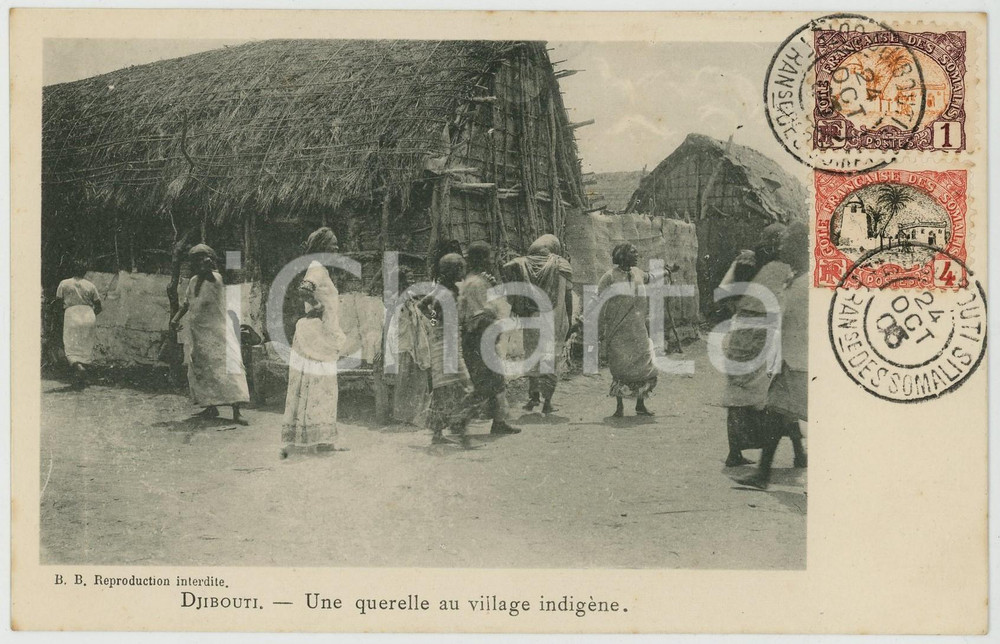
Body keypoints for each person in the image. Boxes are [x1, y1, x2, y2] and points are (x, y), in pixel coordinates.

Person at [737, 222, 809, 489]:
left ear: (801, 247)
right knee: (775, 412)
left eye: (787, 241)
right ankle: (763, 473)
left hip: (805, 364)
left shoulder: (810, 281)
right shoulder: (795, 277)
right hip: (792, 362)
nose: (781, 245)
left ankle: (764, 473)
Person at [719, 223, 790, 466]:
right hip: (763, 330)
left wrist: (737, 308)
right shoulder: (780, 268)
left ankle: (735, 452)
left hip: (741, 328)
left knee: (739, 392)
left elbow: (723, 291)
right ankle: (746, 451)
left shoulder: (745, 261)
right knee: (763, 392)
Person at [280, 228, 347, 457]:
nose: (336, 249)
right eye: (332, 245)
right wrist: (317, 307)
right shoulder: (317, 268)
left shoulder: (321, 269)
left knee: (320, 386)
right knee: (319, 386)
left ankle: (322, 438)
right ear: (321, 247)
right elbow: (304, 289)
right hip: (315, 334)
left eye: (337, 245)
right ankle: (319, 440)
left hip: (320, 333)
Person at [170, 244, 250, 424]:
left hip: (220, 332)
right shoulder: (192, 282)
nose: (201, 264)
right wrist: (175, 319)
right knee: (203, 369)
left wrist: (217, 263)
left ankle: (237, 411)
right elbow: (186, 304)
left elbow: (233, 271)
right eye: (197, 261)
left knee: (230, 368)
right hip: (199, 334)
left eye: (204, 259)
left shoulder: (219, 279)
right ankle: (210, 406)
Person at [502, 234, 573, 414]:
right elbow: (567, 296)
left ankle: (533, 397)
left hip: (531, 317)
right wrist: (570, 318)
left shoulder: (522, 264)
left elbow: (506, 270)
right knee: (550, 358)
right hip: (554, 317)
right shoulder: (561, 265)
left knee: (532, 355)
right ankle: (547, 402)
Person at [460, 241, 521, 435]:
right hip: (479, 336)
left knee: (494, 381)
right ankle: (459, 419)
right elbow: (483, 312)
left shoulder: (476, 280)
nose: (491, 261)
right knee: (487, 383)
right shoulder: (476, 283)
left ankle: (498, 422)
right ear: (481, 260)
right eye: (487, 257)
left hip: (480, 335)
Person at [419, 253, 476, 448]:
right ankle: (462, 434)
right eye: (461, 268)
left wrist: (435, 323)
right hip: (448, 347)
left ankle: (437, 435)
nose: (464, 271)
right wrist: (442, 323)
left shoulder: (441, 290)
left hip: (442, 343)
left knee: (443, 391)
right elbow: (436, 312)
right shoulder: (448, 293)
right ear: (454, 271)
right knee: (464, 388)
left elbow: (423, 306)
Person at [597, 243, 657, 417]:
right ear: (622, 255)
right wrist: (594, 326)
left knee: (644, 367)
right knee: (621, 368)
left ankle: (640, 404)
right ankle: (619, 407)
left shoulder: (637, 273)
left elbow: (651, 277)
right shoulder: (609, 277)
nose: (637, 255)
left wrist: (668, 271)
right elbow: (598, 301)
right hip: (618, 331)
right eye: (633, 252)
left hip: (638, 330)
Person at [55, 261, 102, 388]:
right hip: (88, 314)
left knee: (71, 344)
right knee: (85, 343)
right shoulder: (90, 285)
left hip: (71, 313)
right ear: (85, 272)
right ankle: (82, 375)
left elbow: (58, 304)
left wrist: (63, 317)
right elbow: (98, 306)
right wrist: (89, 316)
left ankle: (78, 367)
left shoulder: (64, 283)